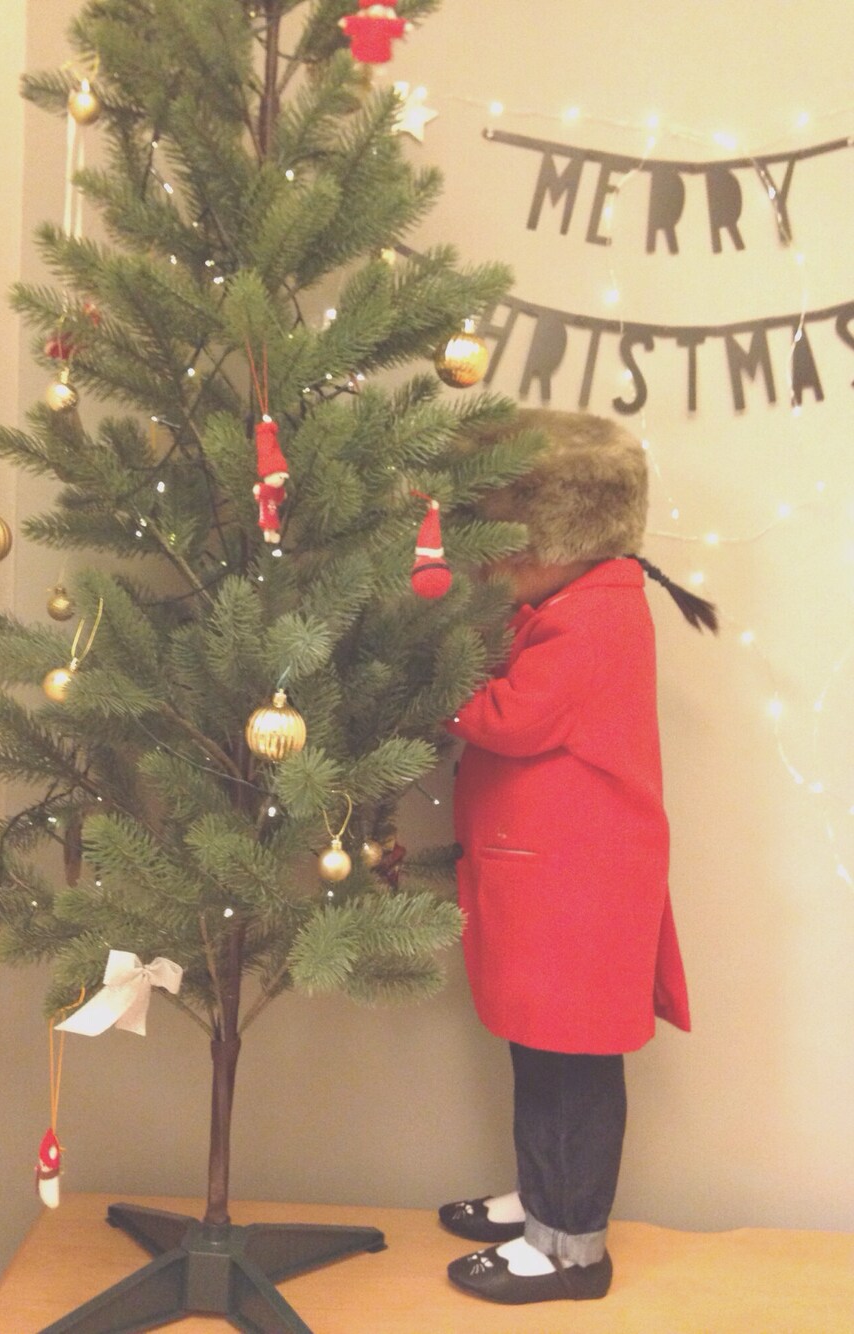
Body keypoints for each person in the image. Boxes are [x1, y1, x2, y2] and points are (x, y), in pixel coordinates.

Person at [440, 408, 717, 1306]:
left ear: (558, 544)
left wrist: (440, 684)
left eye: (505, 555)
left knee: (570, 1070)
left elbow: (511, 717)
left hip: (577, 894)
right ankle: (543, 1205)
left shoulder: (596, 618)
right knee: (541, 1057)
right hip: (549, 884)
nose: (490, 573)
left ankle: (570, 1249)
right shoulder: (570, 602)